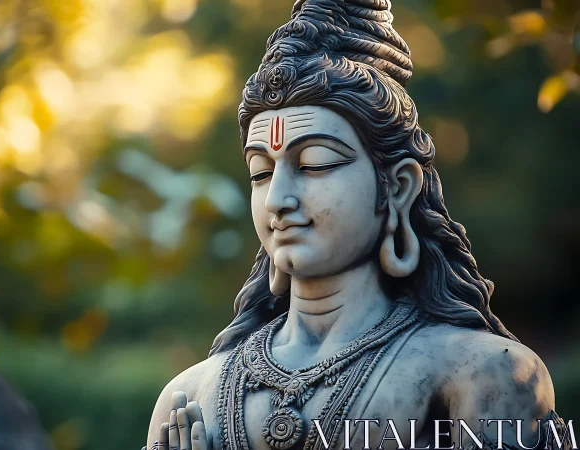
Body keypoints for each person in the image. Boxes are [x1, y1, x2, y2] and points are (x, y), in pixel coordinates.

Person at [145, 1, 566, 449]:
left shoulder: (482, 372)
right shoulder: (189, 396)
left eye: (315, 164)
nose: (278, 200)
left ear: (398, 187)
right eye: (260, 173)